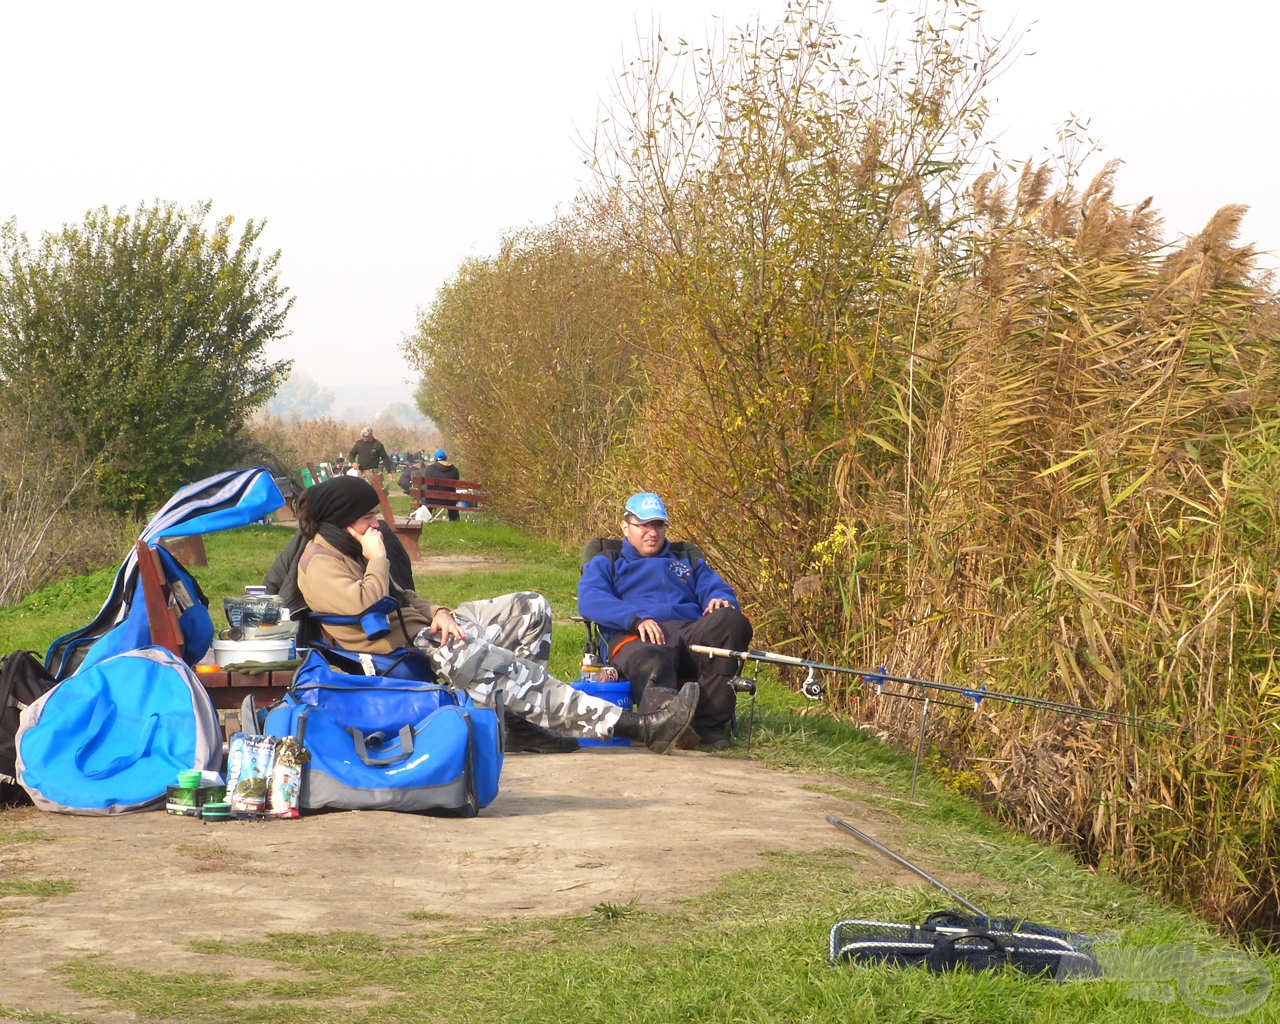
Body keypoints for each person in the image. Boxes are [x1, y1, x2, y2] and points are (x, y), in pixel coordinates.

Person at [292, 476, 698, 753]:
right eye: (368, 518)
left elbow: (403, 596)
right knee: (519, 675)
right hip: (402, 648)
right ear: (344, 522)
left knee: (531, 608)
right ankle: (636, 727)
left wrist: (440, 611)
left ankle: (518, 725)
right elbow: (366, 602)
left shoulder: (349, 546)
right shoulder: (320, 563)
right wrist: (378, 558)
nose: (376, 523)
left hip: (426, 628)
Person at [577, 492, 752, 750]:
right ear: (625, 527)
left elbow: (716, 587)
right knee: (651, 659)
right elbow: (591, 600)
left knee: (732, 621)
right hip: (635, 636)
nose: (652, 532)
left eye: (658, 525)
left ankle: (709, 725)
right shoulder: (609, 559)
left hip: (688, 632)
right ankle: (667, 721)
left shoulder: (684, 558)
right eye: (644, 525)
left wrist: (719, 599)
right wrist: (634, 620)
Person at [422, 448, 461, 521]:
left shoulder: (429, 469)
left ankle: (426, 519)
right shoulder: (454, 470)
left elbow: (427, 485)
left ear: (435, 459)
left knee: (426, 497)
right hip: (450, 500)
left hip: (432, 499)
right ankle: (455, 520)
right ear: (445, 458)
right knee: (452, 500)